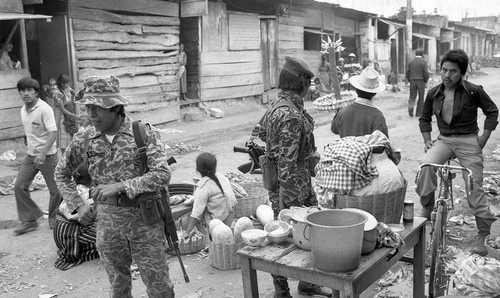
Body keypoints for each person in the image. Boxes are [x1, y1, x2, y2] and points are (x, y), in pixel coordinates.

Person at [55, 76, 175, 297]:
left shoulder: (143, 133)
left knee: (160, 288)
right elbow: (61, 173)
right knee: (118, 288)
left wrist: (121, 185)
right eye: (88, 107)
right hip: (108, 224)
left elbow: (162, 174)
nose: (90, 114)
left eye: (96, 108)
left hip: (145, 221)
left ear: (114, 108)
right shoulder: (85, 138)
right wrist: (78, 205)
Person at [256, 56, 331, 298]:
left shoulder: (278, 105)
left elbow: (261, 134)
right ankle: (283, 291)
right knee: (288, 236)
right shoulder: (289, 114)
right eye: (309, 82)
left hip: (288, 183)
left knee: (304, 233)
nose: (310, 87)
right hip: (292, 186)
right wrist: (289, 204)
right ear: (301, 82)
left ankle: (305, 283)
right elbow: (287, 164)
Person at [415, 49, 498, 256]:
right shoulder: (434, 93)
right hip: (444, 140)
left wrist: (484, 138)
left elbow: (492, 111)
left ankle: (482, 234)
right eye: (444, 70)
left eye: (453, 71)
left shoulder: (473, 90)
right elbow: (424, 118)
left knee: (474, 185)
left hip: (469, 141)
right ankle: (427, 206)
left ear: (461, 73)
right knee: (426, 166)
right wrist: (427, 140)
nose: (447, 75)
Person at [13, 77, 62, 234]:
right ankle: (30, 220)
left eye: (30, 90)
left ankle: (55, 219)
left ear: (36, 93)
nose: (26, 93)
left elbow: (53, 132)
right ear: (19, 92)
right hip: (31, 155)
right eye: (23, 90)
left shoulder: (44, 108)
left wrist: (42, 152)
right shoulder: (23, 110)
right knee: (19, 186)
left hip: (47, 156)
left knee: (56, 190)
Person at [183, 152, 237, 236]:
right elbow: (233, 202)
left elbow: (196, 214)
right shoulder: (223, 178)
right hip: (229, 217)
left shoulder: (202, 187)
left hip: (217, 224)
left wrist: (187, 232)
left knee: (186, 218)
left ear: (197, 169)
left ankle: (208, 235)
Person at [331, 66, 388, 138]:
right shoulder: (377, 116)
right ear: (374, 93)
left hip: (346, 148)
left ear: (356, 89)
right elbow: (383, 142)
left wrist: (338, 112)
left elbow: (334, 129)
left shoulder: (343, 111)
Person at [54, 74, 79, 153]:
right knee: (64, 144)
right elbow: (63, 109)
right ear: (61, 84)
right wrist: (75, 116)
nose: (69, 85)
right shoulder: (58, 94)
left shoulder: (67, 88)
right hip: (62, 119)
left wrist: (80, 96)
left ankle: (70, 161)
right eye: (67, 83)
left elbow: (74, 92)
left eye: (69, 83)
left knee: (72, 142)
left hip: (69, 117)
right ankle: (64, 161)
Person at [405, 50, 429, 117]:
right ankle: (418, 113)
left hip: (412, 81)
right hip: (421, 81)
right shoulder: (424, 62)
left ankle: (411, 108)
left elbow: (407, 73)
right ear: (422, 54)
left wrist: (410, 80)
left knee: (412, 96)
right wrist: (425, 80)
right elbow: (426, 73)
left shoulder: (411, 62)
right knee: (421, 97)